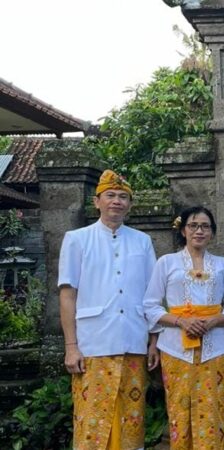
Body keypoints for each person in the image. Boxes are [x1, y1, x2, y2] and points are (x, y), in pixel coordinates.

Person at [58, 169, 158, 450]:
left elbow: (152, 296)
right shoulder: (77, 239)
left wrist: (154, 341)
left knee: (132, 419)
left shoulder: (142, 241)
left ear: (130, 204)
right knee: (92, 419)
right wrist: (71, 347)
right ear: (97, 201)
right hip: (93, 343)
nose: (116, 201)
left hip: (134, 340)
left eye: (123, 197)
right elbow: (67, 294)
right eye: (110, 195)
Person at [143, 206, 224, 450]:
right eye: (193, 226)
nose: (199, 231)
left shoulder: (222, 265)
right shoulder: (166, 263)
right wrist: (181, 321)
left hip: (214, 349)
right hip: (175, 349)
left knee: (214, 409)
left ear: (212, 232)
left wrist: (213, 321)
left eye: (205, 226)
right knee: (179, 409)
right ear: (183, 230)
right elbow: (150, 305)